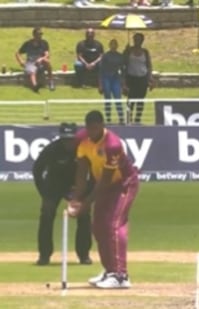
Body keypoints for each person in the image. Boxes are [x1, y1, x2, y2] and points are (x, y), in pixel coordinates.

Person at [69, 110, 139, 289]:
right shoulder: (82, 140)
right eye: (89, 129)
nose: (92, 132)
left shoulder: (112, 145)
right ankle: (110, 271)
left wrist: (84, 206)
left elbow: (106, 181)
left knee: (114, 224)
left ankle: (121, 276)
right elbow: (81, 172)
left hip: (124, 184)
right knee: (99, 227)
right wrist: (76, 198)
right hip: (103, 185)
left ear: (102, 126)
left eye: (95, 128)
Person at [32, 122, 92, 266]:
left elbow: (93, 172)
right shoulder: (52, 149)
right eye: (65, 139)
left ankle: (84, 255)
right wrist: (44, 193)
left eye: (71, 139)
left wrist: (85, 193)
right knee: (47, 213)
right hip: (53, 185)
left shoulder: (83, 148)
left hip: (75, 185)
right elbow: (37, 170)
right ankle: (44, 255)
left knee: (84, 214)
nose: (68, 143)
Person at [123, 33, 154, 125]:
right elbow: (123, 63)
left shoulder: (145, 52)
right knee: (130, 100)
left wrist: (150, 78)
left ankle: (137, 120)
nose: (137, 41)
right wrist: (125, 51)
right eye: (135, 39)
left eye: (139, 39)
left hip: (142, 79)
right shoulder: (129, 51)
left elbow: (149, 66)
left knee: (140, 101)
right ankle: (128, 120)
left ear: (142, 41)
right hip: (131, 78)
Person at [15, 27, 55, 93]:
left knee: (47, 61)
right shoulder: (28, 44)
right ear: (34, 35)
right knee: (32, 71)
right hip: (30, 62)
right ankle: (35, 86)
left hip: (40, 63)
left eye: (41, 34)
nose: (40, 36)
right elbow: (17, 53)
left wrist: (41, 59)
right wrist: (21, 61)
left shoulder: (44, 43)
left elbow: (47, 55)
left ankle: (51, 82)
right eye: (38, 34)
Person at [99, 39, 125, 124]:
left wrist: (123, 82)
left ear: (117, 46)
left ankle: (121, 118)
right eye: (112, 44)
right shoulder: (105, 56)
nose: (113, 46)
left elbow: (122, 69)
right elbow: (101, 70)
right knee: (107, 99)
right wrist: (100, 84)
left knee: (118, 98)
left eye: (115, 44)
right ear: (109, 45)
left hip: (115, 78)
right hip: (106, 77)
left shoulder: (120, 56)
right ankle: (108, 118)